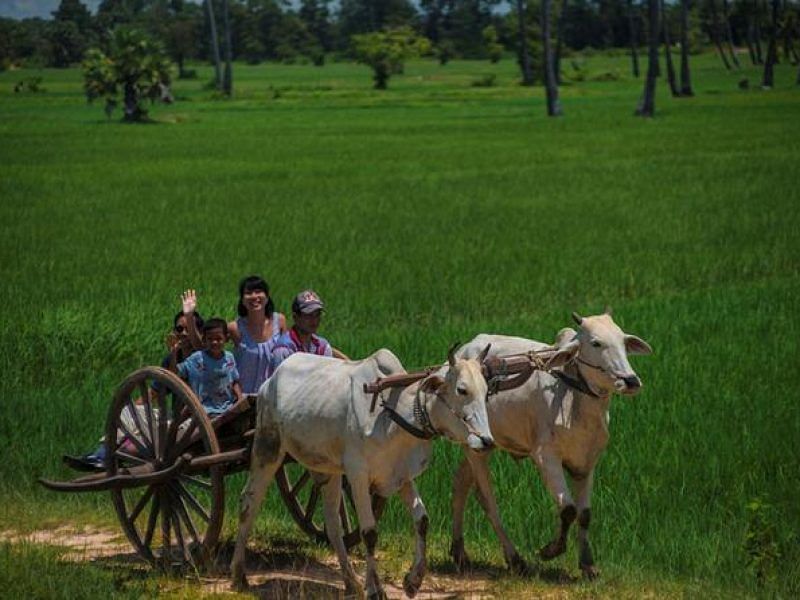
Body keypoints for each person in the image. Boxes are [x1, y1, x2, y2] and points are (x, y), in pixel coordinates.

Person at [62, 292, 204, 472]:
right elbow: (153, 393)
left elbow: (199, 350)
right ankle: (104, 453)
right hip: (174, 417)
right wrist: (133, 413)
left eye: (188, 329)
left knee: (142, 430)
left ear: (198, 332)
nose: (183, 333)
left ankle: (112, 455)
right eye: (179, 329)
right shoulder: (171, 359)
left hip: (190, 420)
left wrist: (190, 315)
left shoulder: (205, 356)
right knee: (129, 412)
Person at [266, 289, 345, 378]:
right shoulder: (284, 349)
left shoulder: (322, 346)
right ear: (296, 317)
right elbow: (279, 385)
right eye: (308, 315)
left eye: (317, 315)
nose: (314, 320)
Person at [227, 275, 286, 394]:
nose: (254, 296)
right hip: (243, 398)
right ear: (242, 300)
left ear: (267, 297)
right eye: (248, 293)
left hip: (273, 396)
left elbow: (288, 355)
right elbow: (209, 349)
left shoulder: (279, 321)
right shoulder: (235, 328)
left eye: (258, 291)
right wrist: (189, 317)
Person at [177, 318, 243, 416]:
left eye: (218, 339)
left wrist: (240, 398)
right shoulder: (197, 358)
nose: (214, 342)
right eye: (210, 339)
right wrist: (190, 398)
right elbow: (179, 375)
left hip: (227, 407)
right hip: (204, 409)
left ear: (226, 338)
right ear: (204, 339)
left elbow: (235, 381)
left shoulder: (229, 358)